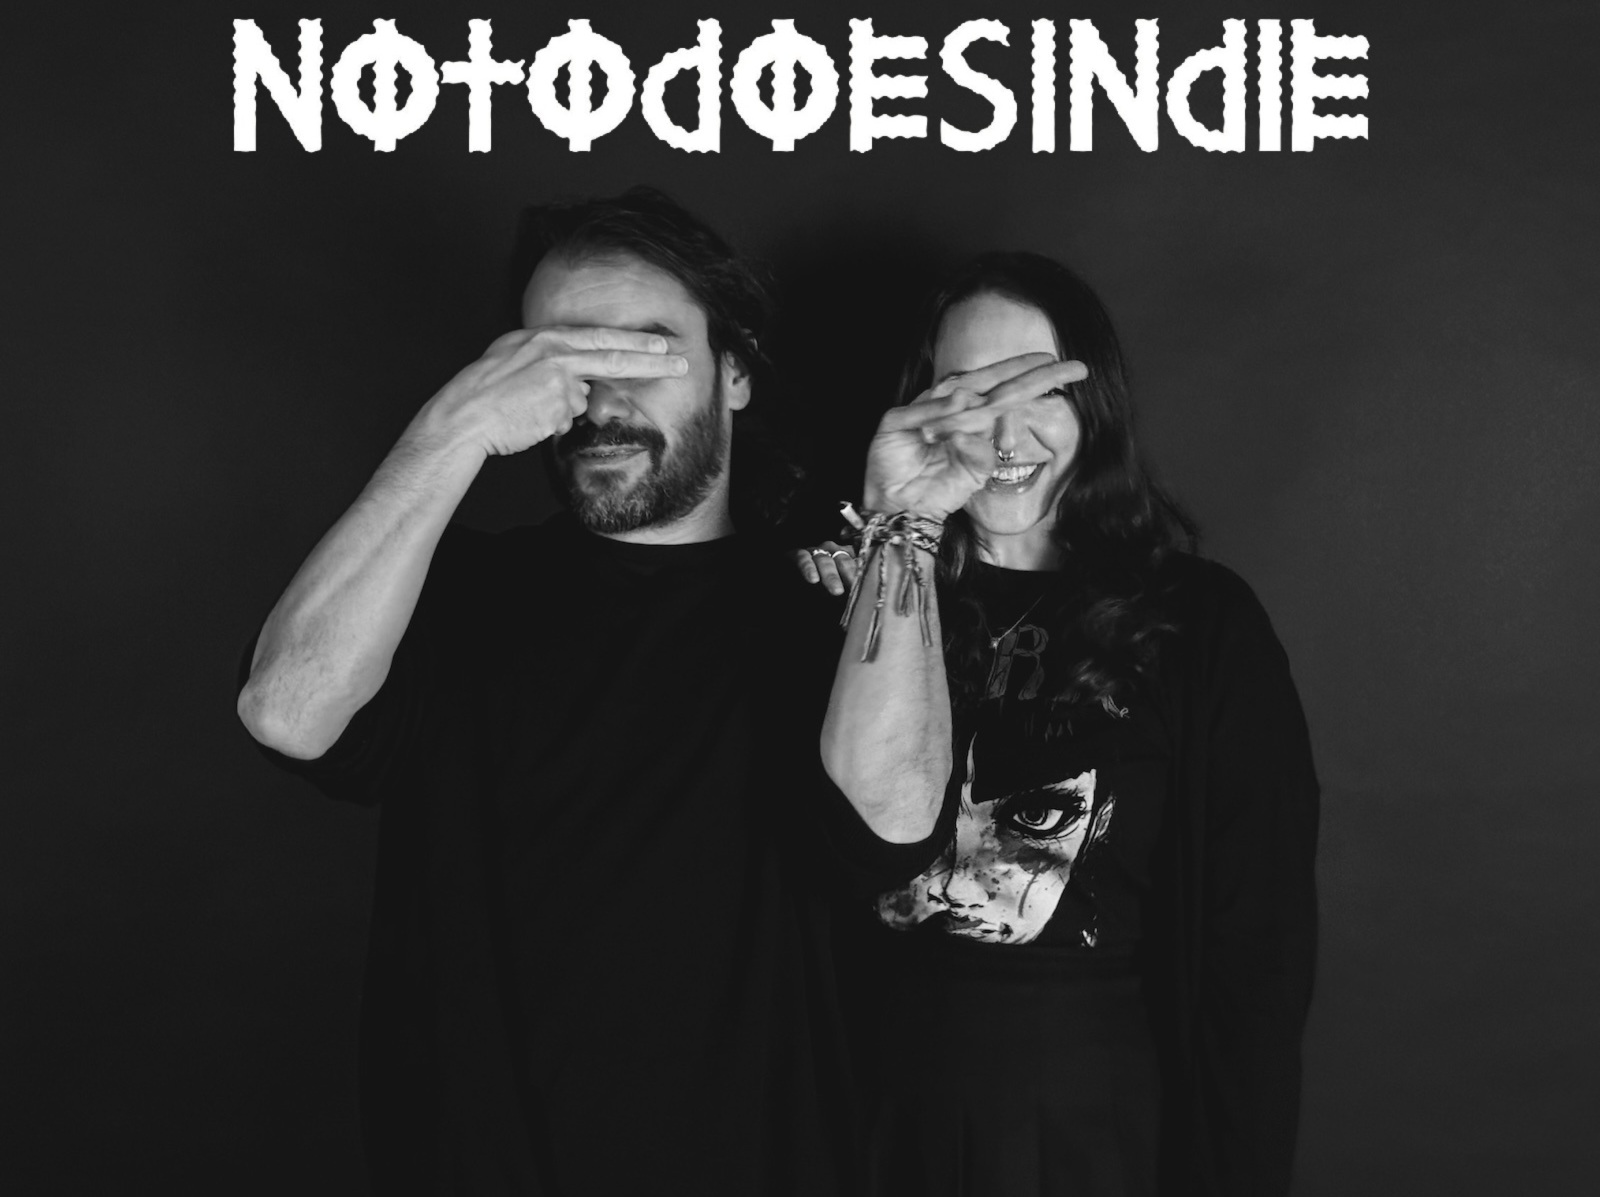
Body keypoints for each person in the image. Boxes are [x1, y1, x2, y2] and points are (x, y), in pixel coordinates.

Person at [236, 188, 941, 1196]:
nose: (601, 398)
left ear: (734, 372)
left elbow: (896, 822)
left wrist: (904, 526)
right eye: (558, 357)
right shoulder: (451, 592)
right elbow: (284, 711)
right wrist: (449, 433)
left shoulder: (824, 601)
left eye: (643, 350)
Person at [801, 252, 1319, 1196]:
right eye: (970, 391)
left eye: (1039, 388)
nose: (1006, 433)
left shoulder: (1201, 623)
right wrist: (896, 537)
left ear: (1096, 404)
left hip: (1102, 1128)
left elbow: (1258, 953)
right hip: (867, 1122)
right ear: (921, 407)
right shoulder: (850, 592)